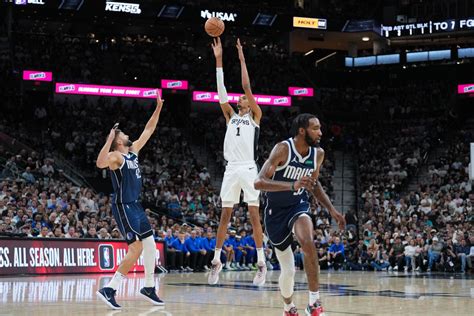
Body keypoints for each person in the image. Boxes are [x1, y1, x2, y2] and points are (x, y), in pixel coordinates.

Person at [254, 113, 345, 316]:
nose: (320, 132)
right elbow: (258, 182)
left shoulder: (318, 154)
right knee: (288, 270)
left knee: (308, 242)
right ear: (302, 131)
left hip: (298, 205)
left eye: (320, 128)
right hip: (275, 212)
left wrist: (332, 209)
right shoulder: (283, 149)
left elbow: (314, 184)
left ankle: (314, 302)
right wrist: (292, 185)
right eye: (315, 128)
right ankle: (288, 306)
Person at [95, 93, 165, 309]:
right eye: (123, 133)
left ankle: (148, 287)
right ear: (118, 140)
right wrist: (108, 141)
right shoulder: (116, 156)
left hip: (136, 206)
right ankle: (110, 288)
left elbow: (149, 129)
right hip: (124, 206)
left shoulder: (133, 152)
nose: (128, 135)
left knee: (151, 244)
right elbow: (99, 164)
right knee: (136, 249)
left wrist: (158, 108)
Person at [208, 37, 266, 286]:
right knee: (225, 215)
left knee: (254, 217)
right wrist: (219, 60)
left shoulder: (255, 115)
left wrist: (242, 58)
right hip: (231, 168)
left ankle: (262, 262)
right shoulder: (230, 115)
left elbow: (246, 86)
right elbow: (221, 93)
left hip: (249, 167)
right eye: (240, 98)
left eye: (242, 98)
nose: (240, 98)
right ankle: (216, 260)